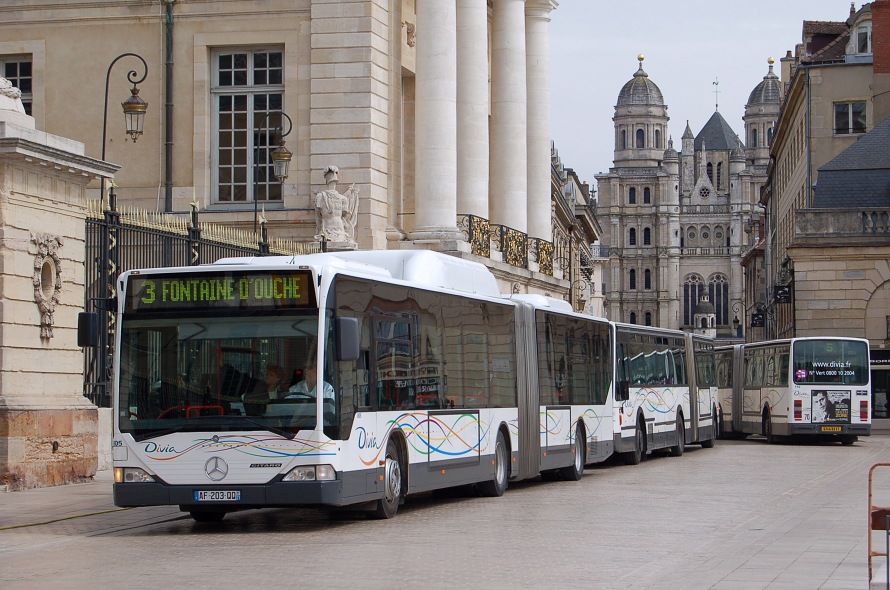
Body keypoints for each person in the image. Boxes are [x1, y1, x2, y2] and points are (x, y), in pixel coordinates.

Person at [313, 165, 359, 244]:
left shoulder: (341, 198)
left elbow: (318, 217)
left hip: (338, 230)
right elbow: (346, 215)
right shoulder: (321, 196)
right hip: (328, 229)